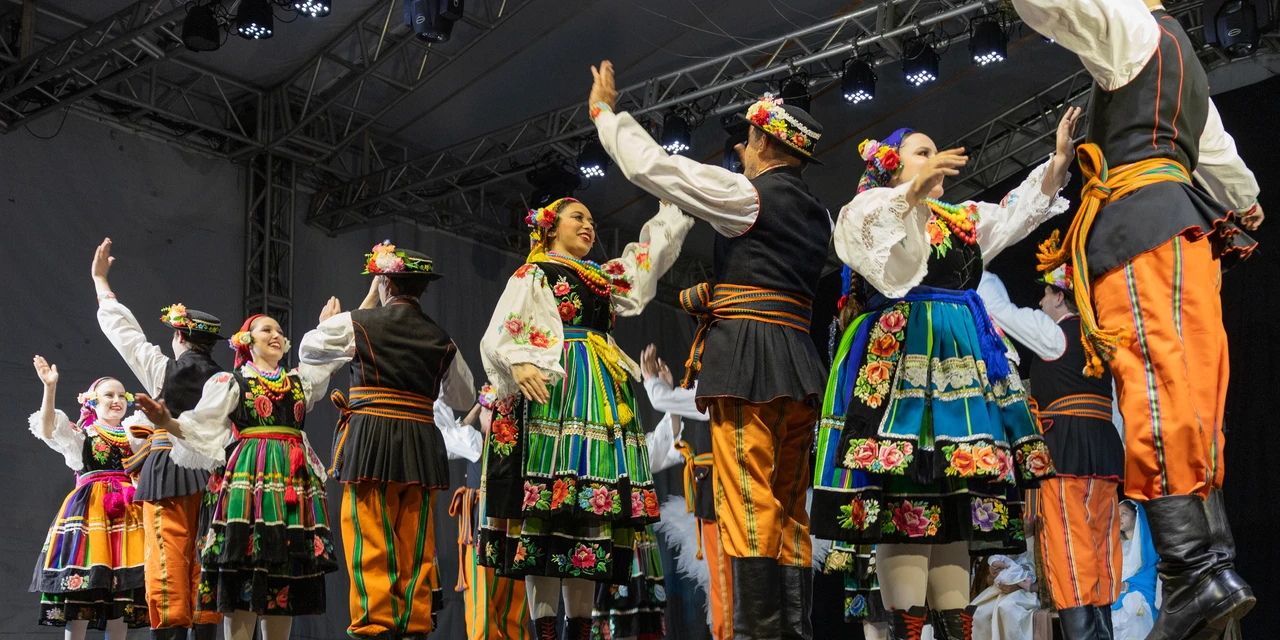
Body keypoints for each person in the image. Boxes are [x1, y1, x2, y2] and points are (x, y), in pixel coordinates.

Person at [1008, 1, 1263, 637]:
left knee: (1155, 393)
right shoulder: (1184, 60)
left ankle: (1190, 575)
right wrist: (1248, 199)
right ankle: (1213, 567)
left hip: (1140, 229)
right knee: (1192, 398)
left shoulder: (1134, 26)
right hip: (1183, 232)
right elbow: (1222, 159)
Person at [589, 61, 832, 640]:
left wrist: (605, 115)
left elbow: (656, 167)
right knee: (789, 505)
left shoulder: (747, 196)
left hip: (749, 362)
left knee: (748, 501)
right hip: (800, 365)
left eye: (748, 140)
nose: (742, 150)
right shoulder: (819, 214)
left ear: (764, 143)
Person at [812, 110, 1077, 640]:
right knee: (905, 499)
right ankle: (908, 630)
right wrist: (911, 192)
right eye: (921, 152)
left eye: (937, 151)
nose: (935, 160)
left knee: (957, 502)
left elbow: (1015, 214)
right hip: (902, 362)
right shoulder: (875, 208)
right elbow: (861, 236)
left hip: (960, 371)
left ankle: (957, 630)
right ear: (892, 167)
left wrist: (1057, 165)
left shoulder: (961, 218)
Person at [478, 195, 693, 640]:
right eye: (578, 217)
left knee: (586, 523)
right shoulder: (535, 272)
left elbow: (641, 266)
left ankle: (578, 631)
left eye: (593, 220)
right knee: (546, 516)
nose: (588, 225)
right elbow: (503, 329)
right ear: (551, 227)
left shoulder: (599, 276)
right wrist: (518, 363)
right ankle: (545, 632)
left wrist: (672, 211)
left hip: (597, 390)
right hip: (556, 389)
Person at [136, 305, 349, 640]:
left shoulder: (298, 382)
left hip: (290, 485)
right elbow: (201, 426)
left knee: (283, 578)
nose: (276, 335)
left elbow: (329, 356)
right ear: (247, 341)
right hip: (248, 484)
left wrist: (343, 317)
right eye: (267, 330)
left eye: (280, 332)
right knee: (243, 570)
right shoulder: (231, 383)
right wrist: (167, 422)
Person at [299, 242, 475, 640]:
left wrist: (362, 306)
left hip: (371, 438)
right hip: (420, 442)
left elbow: (310, 349)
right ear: (422, 288)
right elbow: (463, 397)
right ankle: (414, 623)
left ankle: (376, 624)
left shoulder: (360, 323)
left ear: (385, 283)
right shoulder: (441, 338)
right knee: (415, 537)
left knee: (370, 534)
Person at [978, 267, 1126, 638]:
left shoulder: (1056, 334)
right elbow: (1118, 406)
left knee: (1068, 552)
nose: (1041, 302)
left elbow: (1001, 310)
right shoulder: (1102, 340)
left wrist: (980, 264)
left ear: (1060, 297)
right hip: (1104, 456)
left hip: (1066, 454)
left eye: (1045, 295)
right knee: (1101, 548)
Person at [89, 238, 224, 640]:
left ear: (179, 337)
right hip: (215, 475)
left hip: (169, 471)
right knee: (207, 554)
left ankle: (169, 631)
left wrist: (100, 281)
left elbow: (125, 335)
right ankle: (206, 629)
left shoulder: (165, 370)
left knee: (167, 557)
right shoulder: (227, 380)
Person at [29, 360, 148, 639]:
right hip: (91, 514)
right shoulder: (84, 435)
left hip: (127, 517)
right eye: (109, 395)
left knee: (122, 595)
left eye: (122, 395)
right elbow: (48, 430)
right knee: (81, 590)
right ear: (92, 401)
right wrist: (50, 388)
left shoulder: (135, 435)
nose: (117, 400)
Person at [638, 345, 732, 640]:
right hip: (715, 493)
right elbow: (658, 451)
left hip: (724, 493)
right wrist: (668, 397)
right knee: (721, 581)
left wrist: (655, 385)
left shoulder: (722, 384)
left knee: (728, 581)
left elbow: (658, 450)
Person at [591, 392, 684, 640]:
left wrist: (670, 396)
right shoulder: (595, 449)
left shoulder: (635, 448)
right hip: (607, 536)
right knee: (609, 609)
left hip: (636, 541)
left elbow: (665, 440)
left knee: (640, 616)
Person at [452, 385, 530, 640]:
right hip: (516, 537)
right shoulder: (523, 445)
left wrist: (478, 406)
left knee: (482, 612)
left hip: (484, 540)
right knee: (514, 615)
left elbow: (449, 433)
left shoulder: (476, 444)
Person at [1113, 500, 1159, 640]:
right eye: (1117, 514)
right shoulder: (1114, 545)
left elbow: (1151, 574)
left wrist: (1128, 586)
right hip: (1114, 596)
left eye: (1124, 513)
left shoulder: (1148, 546)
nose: (1119, 517)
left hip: (1139, 596)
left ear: (1136, 515)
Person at [970, 554, 1039, 640]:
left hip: (1027, 594)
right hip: (997, 591)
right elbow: (988, 579)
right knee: (978, 613)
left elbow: (1050, 584)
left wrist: (1024, 586)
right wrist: (994, 576)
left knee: (1006, 608)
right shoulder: (1000, 552)